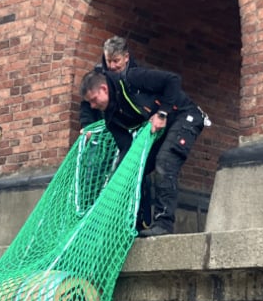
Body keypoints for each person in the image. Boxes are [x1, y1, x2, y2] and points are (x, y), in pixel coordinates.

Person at [80, 64, 208, 237]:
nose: (93, 106)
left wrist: (162, 113)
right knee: (132, 170)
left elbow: (173, 80)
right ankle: (132, 223)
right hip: (160, 131)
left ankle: (163, 224)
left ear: (104, 89)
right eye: (90, 103)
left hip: (184, 115)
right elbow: (126, 148)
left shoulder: (132, 79)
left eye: (94, 100)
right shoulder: (111, 118)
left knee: (165, 161)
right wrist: (119, 178)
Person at [78, 36, 154, 231]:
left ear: (126, 58)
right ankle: (90, 218)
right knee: (94, 172)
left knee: (137, 171)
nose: (111, 66)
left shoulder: (135, 75)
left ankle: (140, 219)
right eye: (108, 61)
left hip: (129, 132)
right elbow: (87, 104)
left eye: (116, 61)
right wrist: (88, 126)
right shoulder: (97, 76)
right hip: (104, 135)